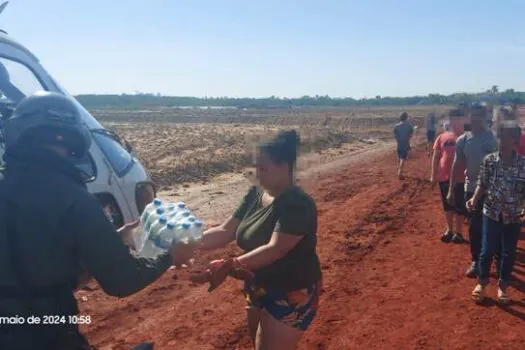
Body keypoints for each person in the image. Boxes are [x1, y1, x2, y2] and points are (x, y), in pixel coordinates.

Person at [0, 92, 196, 349]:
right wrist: (170, 255)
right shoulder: (74, 199)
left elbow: (31, 255)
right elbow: (121, 281)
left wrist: (109, 242)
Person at [193, 130, 322, 350]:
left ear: (285, 166)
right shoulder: (256, 193)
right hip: (258, 286)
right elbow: (226, 230)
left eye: (263, 168)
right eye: (256, 167)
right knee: (258, 344)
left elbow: (275, 249)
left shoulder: (297, 204)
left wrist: (229, 265)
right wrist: (189, 243)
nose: (257, 173)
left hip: (291, 291)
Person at [467, 122, 524, 304]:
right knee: (486, 251)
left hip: (514, 215)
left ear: (515, 139)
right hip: (491, 212)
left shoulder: (523, 164)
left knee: (508, 253)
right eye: (500, 136)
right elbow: (482, 184)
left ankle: (502, 287)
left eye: (506, 136)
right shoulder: (490, 160)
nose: (502, 140)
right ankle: (482, 284)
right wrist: (474, 199)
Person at [448, 105, 498, 278]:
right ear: (470, 118)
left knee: (494, 227)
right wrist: (451, 190)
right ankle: (476, 261)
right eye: (474, 116)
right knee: (475, 228)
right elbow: (456, 165)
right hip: (471, 190)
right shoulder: (463, 140)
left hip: (494, 190)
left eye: (480, 116)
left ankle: (497, 261)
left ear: (486, 117)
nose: (476, 120)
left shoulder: (494, 138)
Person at [430, 109, 467, 243]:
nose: (456, 122)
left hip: (462, 177)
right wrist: (433, 175)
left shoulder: (468, 136)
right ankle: (449, 230)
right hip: (444, 176)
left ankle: (459, 232)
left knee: (460, 206)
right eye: (453, 119)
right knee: (447, 205)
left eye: (459, 119)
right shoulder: (442, 137)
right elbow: (435, 157)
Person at [393, 112, 414, 179]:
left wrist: (398, 139)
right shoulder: (409, 126)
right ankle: (400, 172)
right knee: (403, 158)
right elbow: (411, 135)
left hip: (399, 144)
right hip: (405, 144)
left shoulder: (396, 126)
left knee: (400, 158)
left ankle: (400, 170)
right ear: (406, 117)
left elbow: (395, 136)